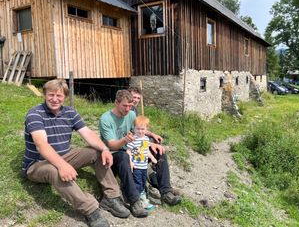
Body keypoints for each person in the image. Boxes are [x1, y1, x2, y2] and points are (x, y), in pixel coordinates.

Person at [22, 79, 130, 227]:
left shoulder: (70, 112)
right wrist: (62, 166)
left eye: (59, 96)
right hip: (38, 164)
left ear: (65, 97)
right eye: (51, 95)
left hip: (65, 157)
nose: (54, 99)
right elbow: (41, 145)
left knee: (96, 152)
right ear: (44, 95)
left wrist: (105, 149)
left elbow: (88, 134)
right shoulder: (35, 114)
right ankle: (90, 210)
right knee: (54, 170)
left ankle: (111, 197)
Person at [99, 90, 181, 218]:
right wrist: (125, 140)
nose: (127, 109)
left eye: (130, 106)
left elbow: (139, 130)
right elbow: (111, 145)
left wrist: (151, 141)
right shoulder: (106, 118)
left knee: (159, 152)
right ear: (116, 103)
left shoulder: (131, 114)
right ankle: (134, 201)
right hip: (113, 155)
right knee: (124, 156)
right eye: (124, 106)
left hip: (133, 150)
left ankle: (166, 192)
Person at [126, 115, 157, 210]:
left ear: (146, 129)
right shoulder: (133, 139)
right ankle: (140, 201)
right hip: (136, 166)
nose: (140, 131)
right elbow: (128, 151)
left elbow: (146, 151)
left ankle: (142, 199)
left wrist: (152, 157)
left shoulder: (146, 139)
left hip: (144, 166)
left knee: (143, 183)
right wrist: (130, 161)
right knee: (138, 183)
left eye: (142, 129)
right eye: (138, 129)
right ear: (134, 128)